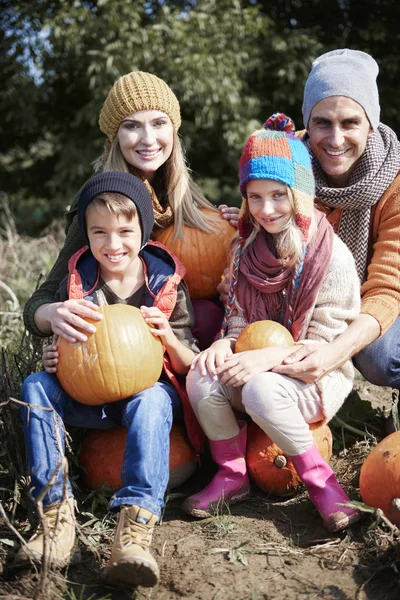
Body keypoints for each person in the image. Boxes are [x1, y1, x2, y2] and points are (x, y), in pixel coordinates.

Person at [15, 171, 203, 589]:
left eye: (124, 230)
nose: (112, 243)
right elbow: (51, 326)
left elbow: (189, 361)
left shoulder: (166, 285)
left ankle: (135, 530)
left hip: (143, 396)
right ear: (85, 233)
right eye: (99, 232)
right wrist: (55, 350)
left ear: (143, 230)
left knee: (154, 399)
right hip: (89, 396)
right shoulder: (77, 282)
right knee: (34, 387)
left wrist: (168, 338)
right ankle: (55, 517)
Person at [183, 114, 361, 532]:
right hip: (259, 365)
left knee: (262, 390)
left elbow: (327, 343)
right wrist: (225, 344)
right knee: (202, 375)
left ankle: (323, 485)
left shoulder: (328, 255)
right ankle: (232, 474)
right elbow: (239, 319)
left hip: (315, 374)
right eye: (255, 197)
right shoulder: (246, 248)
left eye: (278, 195)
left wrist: (267, 357)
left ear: (299, 194)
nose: (266, 209)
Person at [23, 70, 239, 348]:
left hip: (173, 332)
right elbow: (42, 300)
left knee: (209, 314)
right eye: (132, 126)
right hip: (118, 337)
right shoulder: (101, 202)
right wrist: (51, 313)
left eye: (159, 123)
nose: (148, 139)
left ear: (173, 130)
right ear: (115, 136)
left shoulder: (182, 196)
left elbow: (211, 280)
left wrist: (241, 226)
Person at [268, 50, 400, 400]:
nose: (335, 139)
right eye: (323, 122)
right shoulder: (281, 166)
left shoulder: (395, 180)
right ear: (307, 124)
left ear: (371, 123)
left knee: (380, 356)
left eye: (350, 123)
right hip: (314, 303)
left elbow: (388, 289)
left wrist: (332, 353)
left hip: (383, 300)